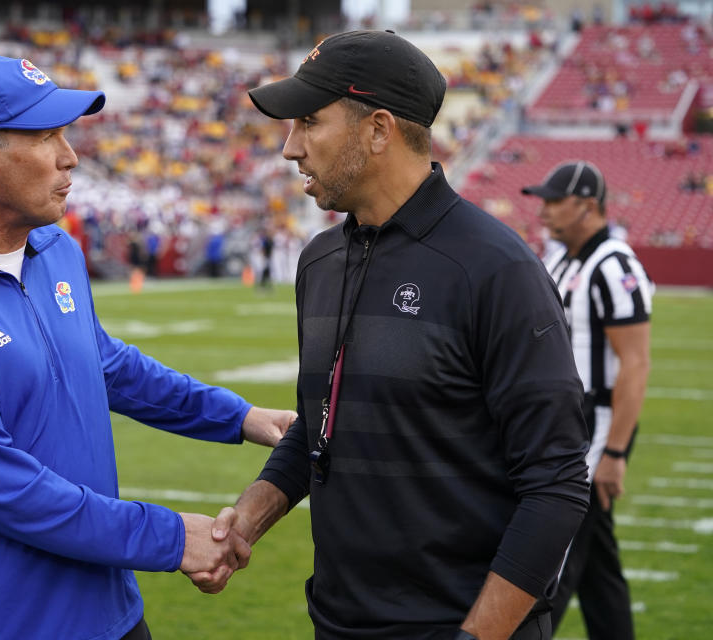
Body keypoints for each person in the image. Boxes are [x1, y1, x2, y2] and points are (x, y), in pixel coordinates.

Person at [0, 54, 297, 640]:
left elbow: (106, 364)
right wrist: (168, 537)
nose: (71, 156)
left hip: (109, 607)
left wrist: (240, 417)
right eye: (45, 136)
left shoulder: (55, 249)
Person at [194, 31, 592, 640]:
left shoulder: (496, 269)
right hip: (338, 622)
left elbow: (557, 482)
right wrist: (246, 521)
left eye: (308, 122)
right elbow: (319, 426)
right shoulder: (320, 261)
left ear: (378, 130)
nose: (289, 149)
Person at [522, 161, 652, 640]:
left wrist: (615, 452)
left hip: (593, 423)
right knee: (598, 562)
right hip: (559, 422)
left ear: (589, 206)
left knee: (554, 550)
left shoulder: (614, 264)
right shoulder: (560, 259)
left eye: (555, 202)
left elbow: (636, 363)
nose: (545, 212)